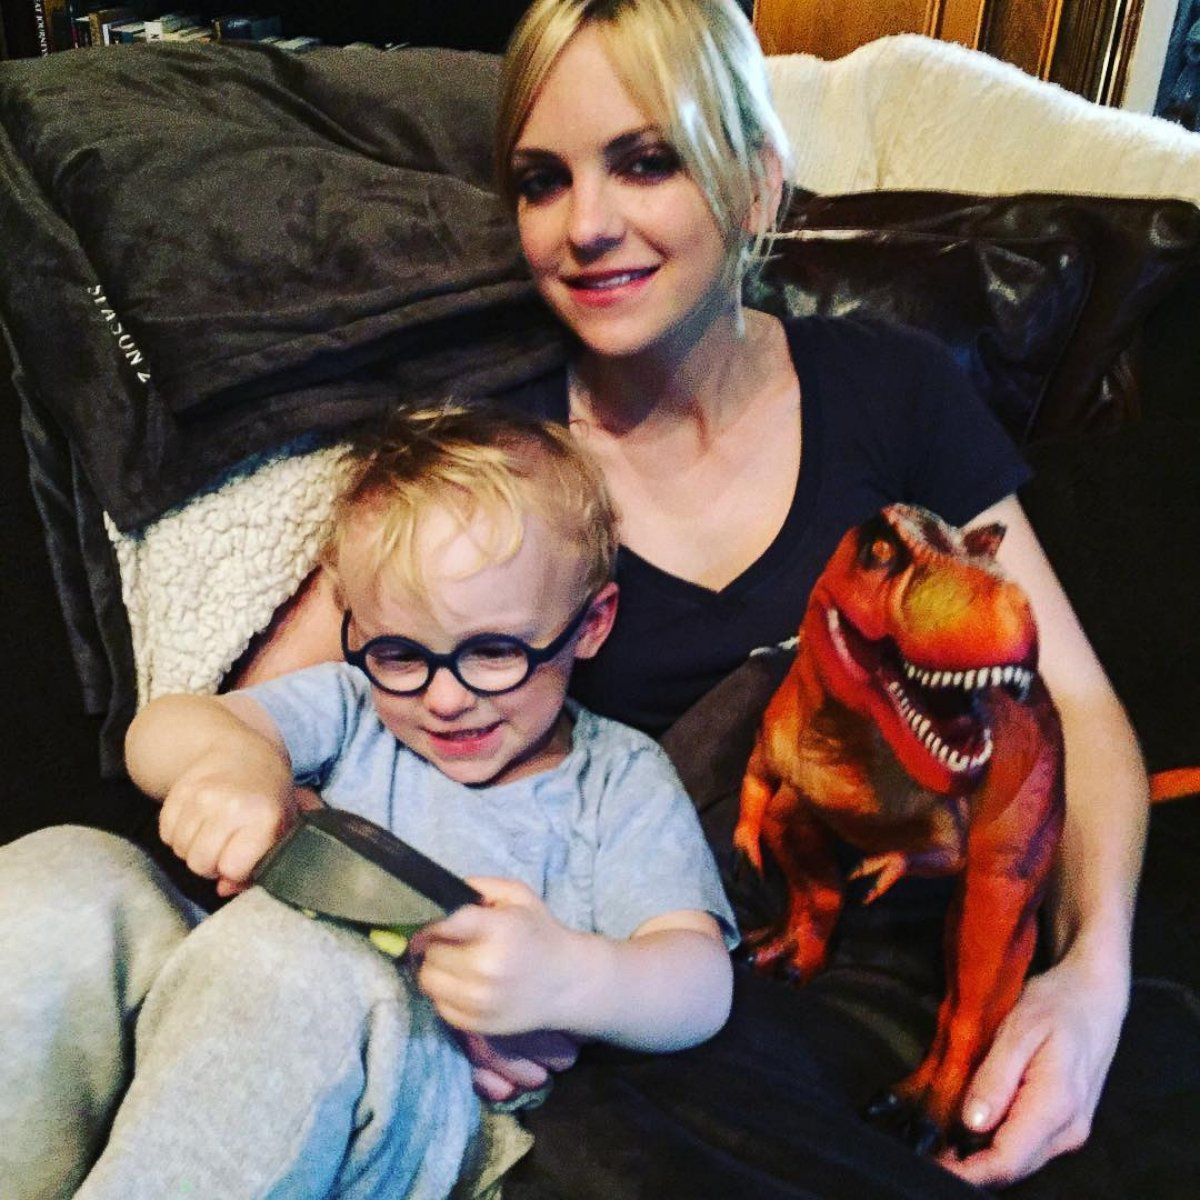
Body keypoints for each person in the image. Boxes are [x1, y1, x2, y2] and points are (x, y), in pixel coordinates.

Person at [234, 1, 1150, 1194]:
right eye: (542, 180)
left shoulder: (894, 391)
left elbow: (1071, 704)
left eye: (644, 161)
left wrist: (1091, 981)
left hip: (897, 961)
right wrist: (423, 960)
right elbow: (274, 743)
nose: (585, 226)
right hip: (634, 1010)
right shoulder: (500, 466)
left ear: (756, 182)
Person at [0, 404, 737, 1200]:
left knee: (291, 956)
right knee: (63, 874)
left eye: (495, 651)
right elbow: (157, 733)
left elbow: (699, 983)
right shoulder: (357, 709)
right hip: (207, 1029)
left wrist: (570, 977)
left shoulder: (617, 779)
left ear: (590, 625)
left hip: (414, 1104)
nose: (445, 699)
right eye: (400, 654)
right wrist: (237, 764)